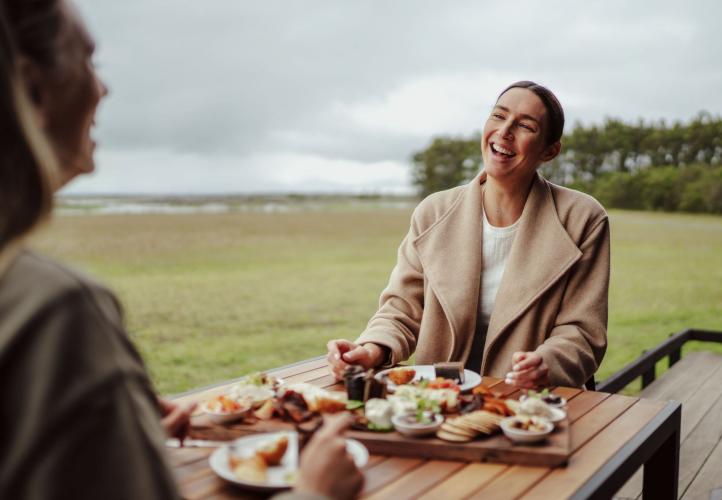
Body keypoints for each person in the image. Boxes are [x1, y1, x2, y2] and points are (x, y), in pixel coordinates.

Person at [0, 1, 363, 499]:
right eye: (88, 62)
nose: (102, 88)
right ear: (34, 91)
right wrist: (315, 493)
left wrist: (104, 421)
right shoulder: (54, 306)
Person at [327, 81, 609, 390]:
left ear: (549, 150)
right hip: (436, 402)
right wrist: (370, 349)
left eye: (525, 125)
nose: (505, 131)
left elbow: (582, 332)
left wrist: (548, 364)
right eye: (498, 116)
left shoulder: (583, 219)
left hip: (526, 407)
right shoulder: (433, 212)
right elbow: (402, 310)